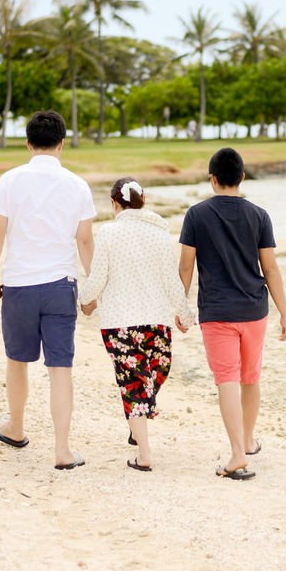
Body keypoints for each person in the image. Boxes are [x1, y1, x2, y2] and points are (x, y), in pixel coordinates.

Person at [0, 110, 96, 470]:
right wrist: (92, 289)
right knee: (60, 367)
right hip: (61, 286)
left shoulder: (10, 180)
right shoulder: (77, 185)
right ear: (62, 144)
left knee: (18, 361)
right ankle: (62, 450)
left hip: (18, 286)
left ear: (28, 143)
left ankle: (15, 427)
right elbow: (85, 240)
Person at [177, 147, 286, 481]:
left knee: (226, 379)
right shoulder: (259, 215)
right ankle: (247, 440)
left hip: (217, 312)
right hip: (255, 310)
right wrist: (285, 314)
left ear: (212, 179)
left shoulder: (196, 215)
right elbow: (270, 268)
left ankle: (238, 453)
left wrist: (180, 308)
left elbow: (186, 267)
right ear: (242, 178)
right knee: (250, 377)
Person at [78, 177, 195, 472]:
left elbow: (98, 276)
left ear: (115, 204)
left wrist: (85, 300)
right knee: (140, 383)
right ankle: (144, 453)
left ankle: (137, 419)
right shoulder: (152, 235)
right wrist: (183, 312)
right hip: (147, 321)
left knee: (144, 381)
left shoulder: (117, 233)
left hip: (125, 323)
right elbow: (172, 281)